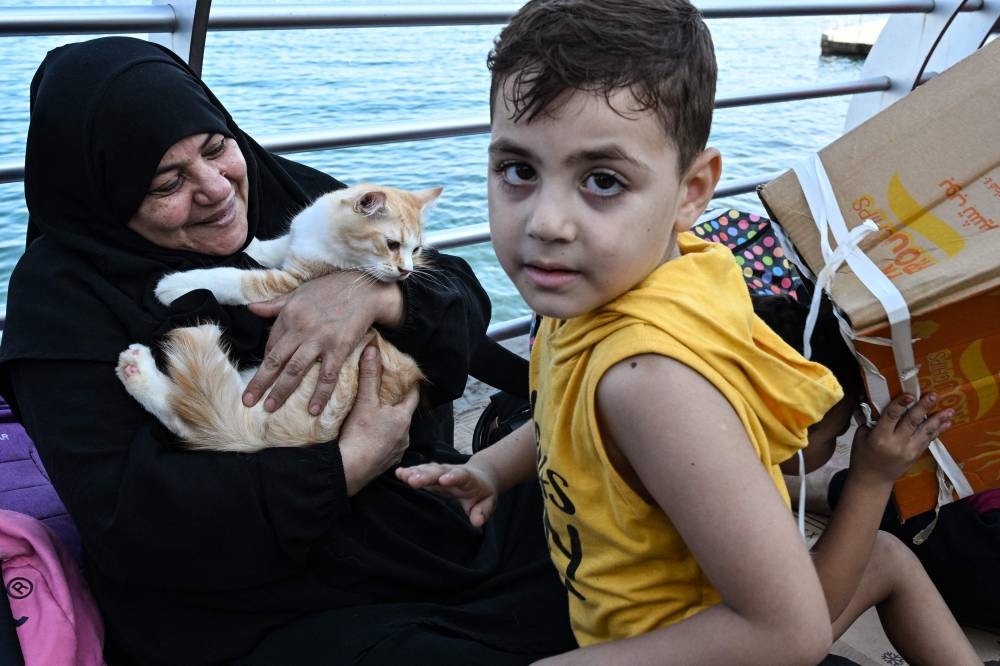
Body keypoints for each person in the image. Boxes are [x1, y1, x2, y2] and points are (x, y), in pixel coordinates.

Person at [0, 36, 576, 665]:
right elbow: (135, 524)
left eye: (218, 146)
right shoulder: (60, 305)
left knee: (612, 548)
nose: (217, 188)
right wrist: (351, 461)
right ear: (105, 194)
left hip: (412, 518)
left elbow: (461, 294)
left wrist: (374, 298)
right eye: (168, 181)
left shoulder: (276, 191)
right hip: (252, 597)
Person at [397, 2, 842, 662]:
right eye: (518, 169)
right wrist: (490, 467)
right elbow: (561, 409)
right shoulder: (595, 289)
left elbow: (788, 631)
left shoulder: (651, 383)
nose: (547, 221)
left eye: (602, 181)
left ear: (692, 191)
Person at [754, 294, 982, 665]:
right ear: (786, 429)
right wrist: (872, 479)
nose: (844, 439)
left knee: (883, 554)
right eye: (835, 434)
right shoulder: (717, 492)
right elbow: (808, 613)